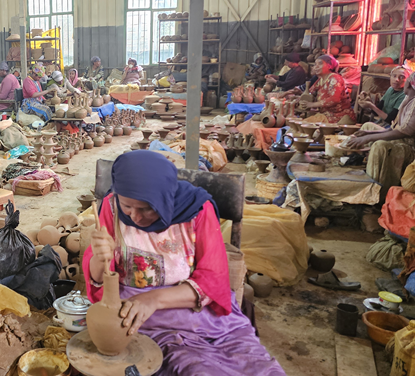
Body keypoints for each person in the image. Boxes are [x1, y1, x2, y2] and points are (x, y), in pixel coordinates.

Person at [83, 151, 285, 375]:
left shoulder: (197, 210)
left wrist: (153, 300)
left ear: (164, 197)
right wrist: (100, 259)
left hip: (191, 310)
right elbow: (100, 284)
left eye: (146, 208)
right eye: (127, 206)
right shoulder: (111, 207)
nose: (135, 217)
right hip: (130, 313)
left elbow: (213, 279)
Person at [345, 67, 415, 199]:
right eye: (394, 76)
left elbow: (402, 132)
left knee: (380, 146)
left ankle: (376, 192)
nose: (398, 80)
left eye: (403, 78)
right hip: (398, 136)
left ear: (409, 83)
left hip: (410, 148)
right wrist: (367, 133)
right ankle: (357, 164)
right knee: (368, 126)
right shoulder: (407, 98)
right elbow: (394, 127)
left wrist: (368, 138)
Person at [298, 55, 355, 124]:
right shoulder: (320, 80)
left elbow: (335, 99)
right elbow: (309, 94)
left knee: (305, 124)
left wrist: (312, 104)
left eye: (320, 63)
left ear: (329, 66)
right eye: (315, 64)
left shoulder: (335, 78)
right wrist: (298, 99)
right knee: (299, 120)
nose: (316, 66)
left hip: (339, 116)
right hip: (326, 114)